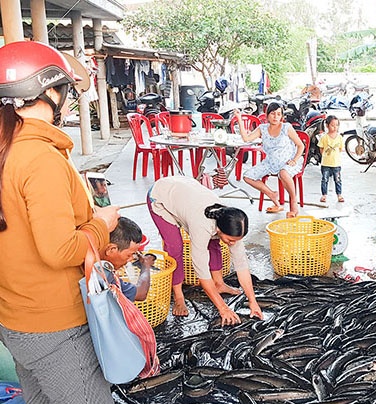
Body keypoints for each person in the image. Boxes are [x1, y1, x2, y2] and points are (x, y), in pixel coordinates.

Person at [0, 41, 120, 404]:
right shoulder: (39, 158)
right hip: (55, 328)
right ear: (49, 92)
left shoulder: (6, 151)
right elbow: (59, 250)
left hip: (16, 319)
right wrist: (100, 226)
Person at [147, 176, 262, 326]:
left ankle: (219, 284)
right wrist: (223, 309)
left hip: (186, 192)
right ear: (219, 228)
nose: (233, 243)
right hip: (161, 197)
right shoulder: (201, 225)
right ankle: (178, 296)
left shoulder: (231, 223)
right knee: (175, 247)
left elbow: (241, 265)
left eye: (236, 240)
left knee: (214, 244)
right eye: (231, 240)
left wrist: (253, 302)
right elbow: (201, 272)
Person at [234, 102, 305, 218]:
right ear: (267, 115)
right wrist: (239, 119)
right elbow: (246, 138)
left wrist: (295, 160)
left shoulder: (286, 127)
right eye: (273, 114)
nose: (276, 117)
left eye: (278, 114)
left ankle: (293, 202)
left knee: (283, 173)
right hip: (270, 163)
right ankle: (272, 194)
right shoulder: (262, 129)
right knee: (247, 176)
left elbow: (300, 145)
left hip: (288, 162)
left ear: (282, 116)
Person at [103, 216, 155, 301]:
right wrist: (146, 265)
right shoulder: (105, 275)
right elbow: (140, 293)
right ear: (111, 249)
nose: (131, 259)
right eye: (129, 255)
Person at [318, 115, 344, 203]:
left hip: (336, 163)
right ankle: (324, 195)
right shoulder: (324, 137)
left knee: (338, 180)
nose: (335, 127)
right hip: (325, 163)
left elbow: (340, 149)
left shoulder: (339, 137)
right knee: (325, 179)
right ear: (327, 125)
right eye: (332, 125)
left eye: (336, 125)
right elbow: (321, 149)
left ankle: (339, 195)